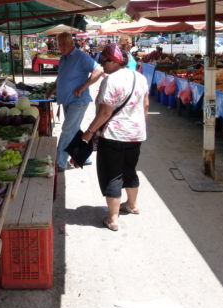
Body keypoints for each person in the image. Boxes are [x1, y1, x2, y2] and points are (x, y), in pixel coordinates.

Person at [81, 44, 149, 232]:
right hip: (136, 134)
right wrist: (140, 127)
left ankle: (112, 218)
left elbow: (104, 113)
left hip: (114, 136)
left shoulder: (110, 81)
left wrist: (88, 133)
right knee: (130, 169)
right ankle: (132, 205)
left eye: (103, 61)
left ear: (114, 61)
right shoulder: (140, 78)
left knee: (112, 174)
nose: (101, 66)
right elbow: (145, 106)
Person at [46, 32, 104, 172]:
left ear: (72, 43)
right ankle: (83, 156)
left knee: (67, 130)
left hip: (78, 101)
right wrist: (51, 90)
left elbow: (99, 70)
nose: (62, 46)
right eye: (59, 44)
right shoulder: (63, 59)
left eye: (64, 43)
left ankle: (59, 162)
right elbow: (61, 77)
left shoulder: (81, 56)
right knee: (73, 130)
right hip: (66, 100)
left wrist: (83, 87)